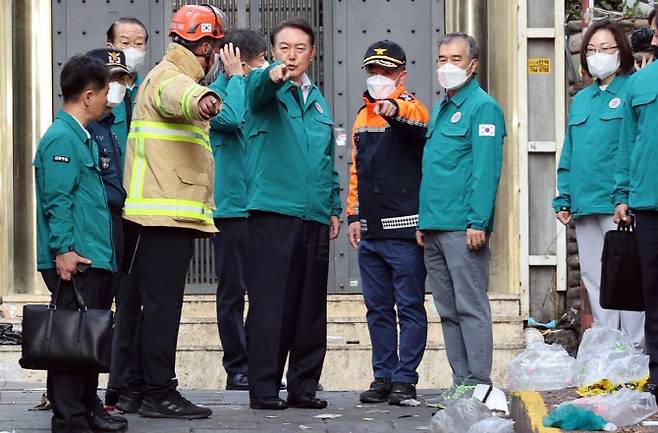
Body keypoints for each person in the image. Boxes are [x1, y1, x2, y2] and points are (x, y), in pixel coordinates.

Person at [117, 4, 225, 419]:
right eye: (212, 45)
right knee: (163, 307)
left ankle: (136, 389)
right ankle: (159, 391)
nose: (214, 54)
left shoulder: (166, 73)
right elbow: (180, 98)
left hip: (156, 215)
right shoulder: (171, 77)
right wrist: (207, 99)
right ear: (204, 45)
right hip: (162, 216)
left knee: (148, 307)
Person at [243, 19, 341, 410]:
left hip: (314, 216)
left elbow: (325, 159)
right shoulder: (265, 89)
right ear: (273, 51)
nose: (292, 55)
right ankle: (264, 389)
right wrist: (274, 74)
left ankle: (304, 386)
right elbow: (258, 90)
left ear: (312, 53)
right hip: (274, 212)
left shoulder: (317, 99)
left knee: (309, 307)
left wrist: (333, 206)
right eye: (284, 48)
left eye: (300, 48)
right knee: (272, 305)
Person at [33, 54, 127, 433]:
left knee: (88, 341)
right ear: (88, 96)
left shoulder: (80, 136)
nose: (109, 99)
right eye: (105, 91)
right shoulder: (61, 137)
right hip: (75, 257)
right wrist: (63, 250)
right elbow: (58, 200)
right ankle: (70, 418)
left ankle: (87, 408)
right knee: (70, 343)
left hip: (94, 257)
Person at [416, 32, 505, 405]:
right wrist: (423, 220)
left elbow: (486, 171)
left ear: (473, 64)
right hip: (435, 225)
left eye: (455, 58)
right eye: (441, 58)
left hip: (462, 226)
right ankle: (462, 383)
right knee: (448, 310)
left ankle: (480, 382)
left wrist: (478, 222)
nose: (446, 66)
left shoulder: (482, 108)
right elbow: (435, 169)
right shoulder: (442, 107)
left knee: (470, 307)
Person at [346, 40, 429, 405]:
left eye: (386, 71)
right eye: (373, 71)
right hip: (371, 232)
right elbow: (356, 169)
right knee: (377, 308)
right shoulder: (362, 117)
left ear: (402, 75)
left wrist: (393, 107)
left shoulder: (412, 109)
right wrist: (353, 215)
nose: (378, 77)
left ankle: (404, 379)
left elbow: (415, 121)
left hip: (406, 231)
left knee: (409, 307)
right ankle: (382, 376)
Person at [553, 20, 645, 348]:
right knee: (596, 281)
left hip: (619, 204)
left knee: (628, 280)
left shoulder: (634, 90)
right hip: (585, 202)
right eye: (591, 50)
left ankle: (635, 354)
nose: (597, 55)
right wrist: (563, 196)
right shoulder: (582, 99)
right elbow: (570, 151)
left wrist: (629, 195)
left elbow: (635, 148)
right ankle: (608, 355)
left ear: (622, 51)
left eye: (605, 48)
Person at [208, 29, 268, 391]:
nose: (267, 66)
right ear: (242, 62)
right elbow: (227, 119)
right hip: (230, 211)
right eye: (261, 60)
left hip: (265, 206)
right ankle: (237, 366)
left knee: (266, 291)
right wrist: (235, 79)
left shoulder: (260, 89)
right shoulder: (215, 92)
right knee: (232, 292)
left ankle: (263, 362)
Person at [612, 19, 658, 396]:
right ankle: (657, 377)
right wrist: (623, 194)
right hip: (649, 203)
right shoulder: (640, 84)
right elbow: (628, 144)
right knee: (653, 294)